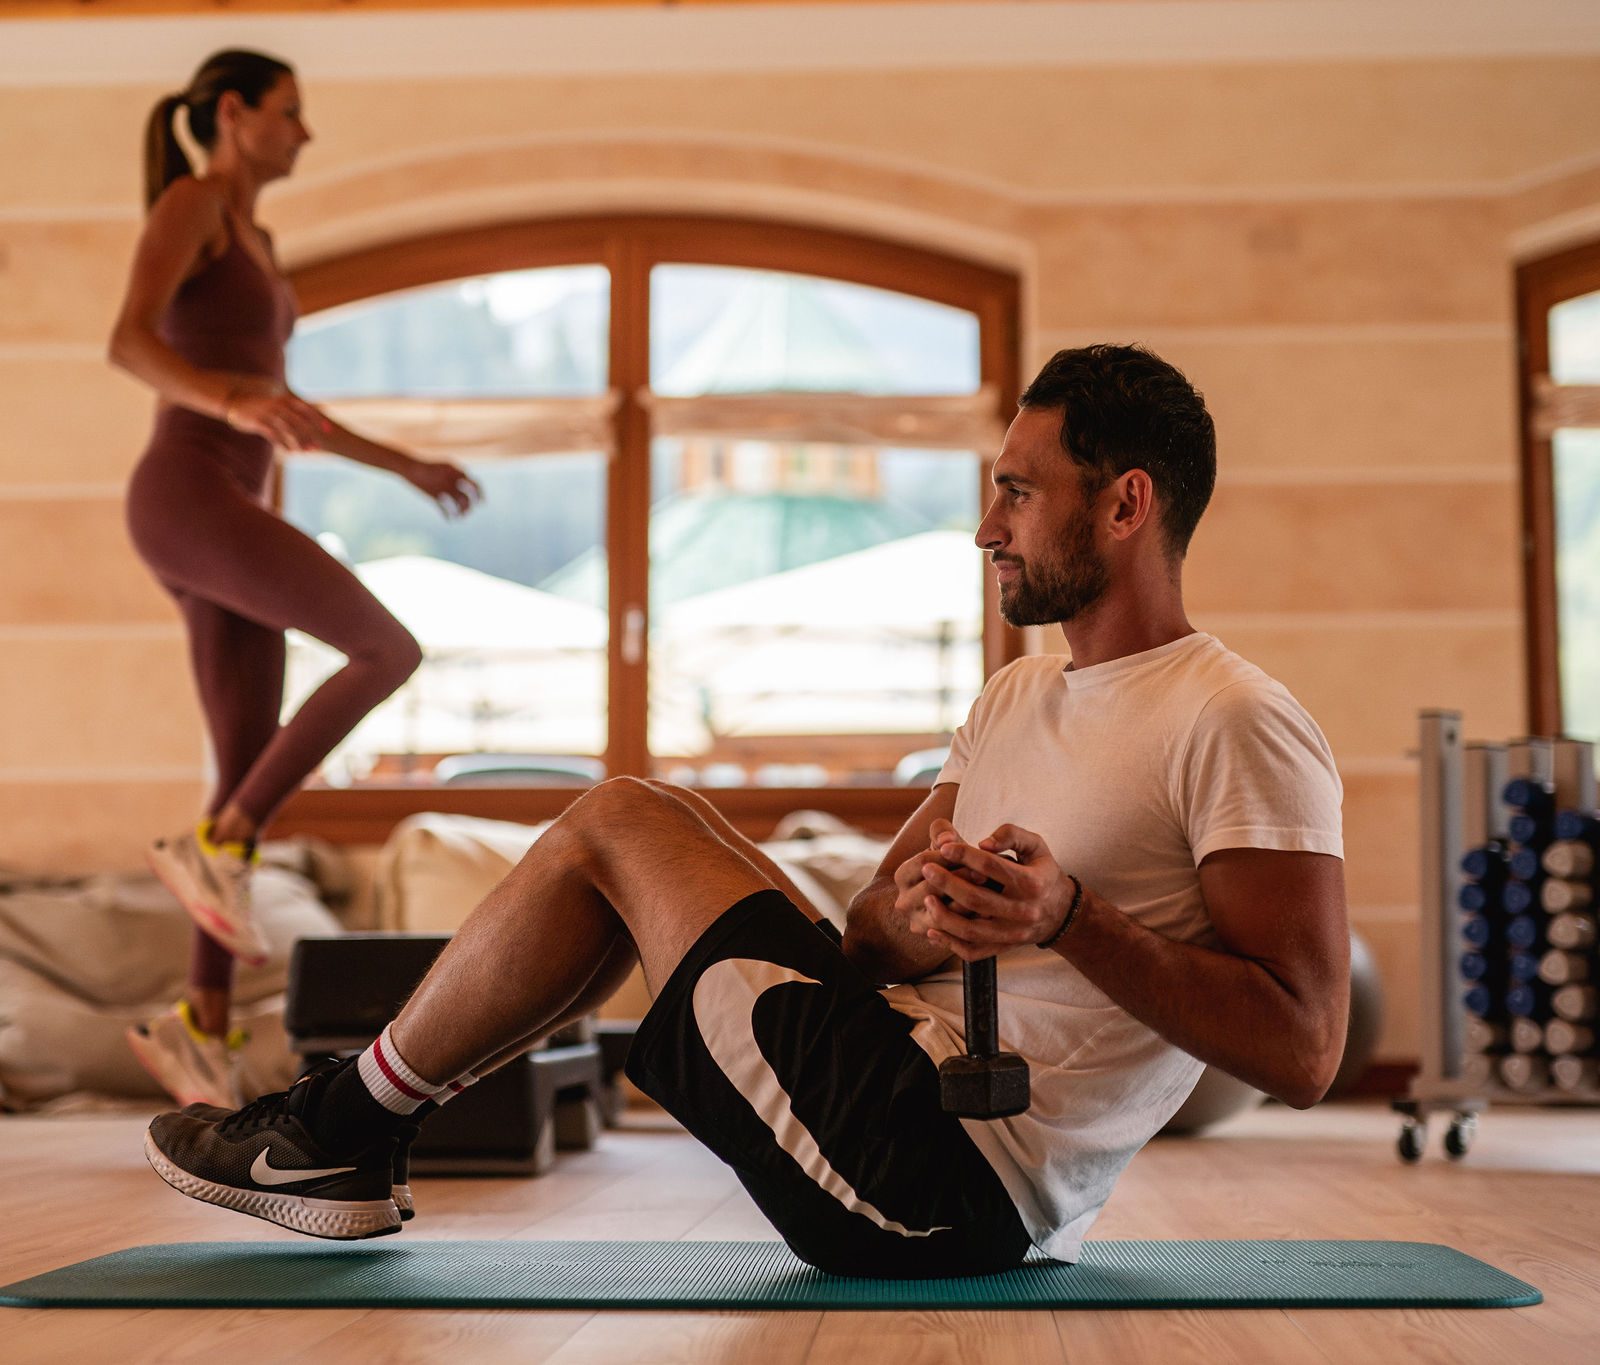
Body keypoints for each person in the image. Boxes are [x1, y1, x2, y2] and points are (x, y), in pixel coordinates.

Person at [143, 344, 1348, 1278]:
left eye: (1019, 496)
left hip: (948, 1179)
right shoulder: (1015, 694)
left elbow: (1302, 1049)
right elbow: (868, 936)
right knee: (646, 814)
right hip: (892, 1079)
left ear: (1126, 505)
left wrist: (1068, 916)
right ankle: (349, 1129)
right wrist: (940, 910)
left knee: (618, 817)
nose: (987, 528)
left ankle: (342, 1125)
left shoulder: (1232, 718)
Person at [110, 49, 482, 1111]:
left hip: (232, 498)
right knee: (386, 650)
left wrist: (399, 464)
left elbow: (286, 403)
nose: (304, 134)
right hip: (186, 493)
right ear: (233, 114)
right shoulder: (194, 206)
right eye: (290, 113)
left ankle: (198, 1025)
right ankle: (219, 843)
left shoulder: (258, 242)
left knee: (239, 760)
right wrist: (228, 408)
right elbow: (127, 342)